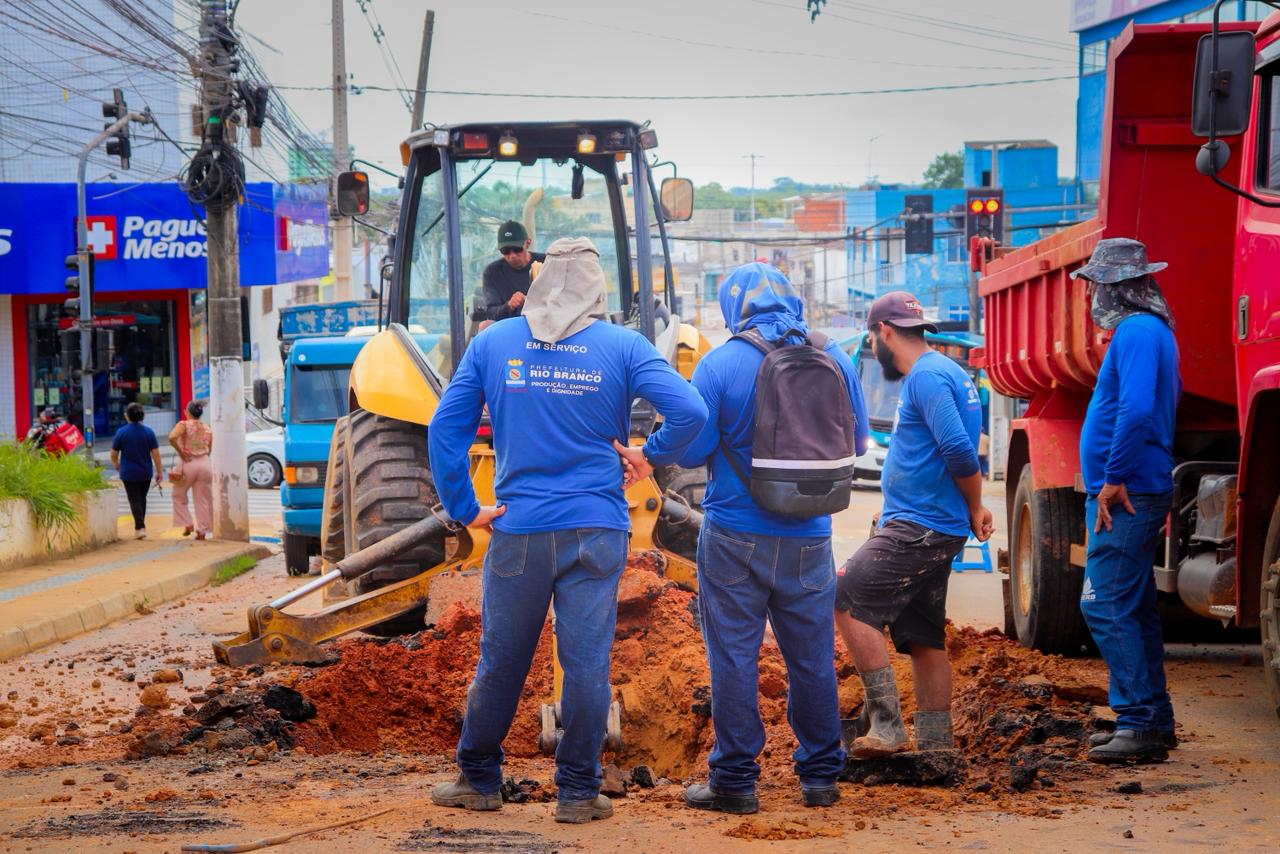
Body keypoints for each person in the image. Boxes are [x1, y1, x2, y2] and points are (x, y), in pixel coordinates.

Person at [427, 237, 707, 824]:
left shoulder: (494, 342)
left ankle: (479, 779)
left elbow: (444, 430)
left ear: (541, 277)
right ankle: (578, 792)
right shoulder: (625, 346)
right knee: (586, 665)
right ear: (596, 289)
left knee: (502, 660)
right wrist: (648, 455)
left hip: (520, 529)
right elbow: (693, 412)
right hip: (597, 530)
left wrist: (463, 504)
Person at [675, 263, 869, 815]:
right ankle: (821, 778)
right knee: (811, 659)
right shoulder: (834, 357)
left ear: (733, 306)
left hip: (735, 532)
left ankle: (735, 782)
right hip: (811, 536)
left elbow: (690, 452)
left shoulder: (718, 364)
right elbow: (856, 439)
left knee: (734, 656)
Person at [835, 291, 991, 757]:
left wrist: (977, 505)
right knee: (923, 634)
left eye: (872, 337)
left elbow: (960, 450)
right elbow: (933, 454)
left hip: (921, 528)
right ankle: (936, 743)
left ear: (883, 333)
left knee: (844, 597)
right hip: (922, 520)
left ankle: (887, 725)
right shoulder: (946, 372)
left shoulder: (925, 377)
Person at [1071, 238, 1180, 764]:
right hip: (1139, 486)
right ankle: (1153, 720)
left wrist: (1112, 479)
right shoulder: (1152, 330)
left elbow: (1134, 411)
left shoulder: (1135, 333)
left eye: (1096, 285)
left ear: (1115, 289)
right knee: (1133, 606)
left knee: (1103, 602)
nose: (1091, 295)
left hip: (1127, 494)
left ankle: (1138, 724)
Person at [111, 403, 163, 539]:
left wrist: (116, 464)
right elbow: (156, 454)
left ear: (127, 416)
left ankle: (140, 527)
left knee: (134, 499)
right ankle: (141, 526)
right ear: (142, 416)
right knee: (141, 499)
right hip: (145, 472)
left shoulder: (121, 432)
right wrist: (159, 472)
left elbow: (113, 452)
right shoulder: (149, 432)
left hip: (128, 472)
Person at [481, 220, 545, 322]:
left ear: (528, 243)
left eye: (517, 249)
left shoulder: (546, 262)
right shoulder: (492, 272)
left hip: (545, 321)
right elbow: (491, 312)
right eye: (505, 251)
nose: (512, 255)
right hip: (511, 324)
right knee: (484, 325)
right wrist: (509, 305)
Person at [169, 400, 213, 540]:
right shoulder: (207, 428)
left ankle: (187, 523)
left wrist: (181, 452)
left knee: (178, 494)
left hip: (188, 462)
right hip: (205, 463)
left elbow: (172, 437)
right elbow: (210, 449)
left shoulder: (184, 424)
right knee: (203, 499)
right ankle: (202, 531)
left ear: (187, 412)